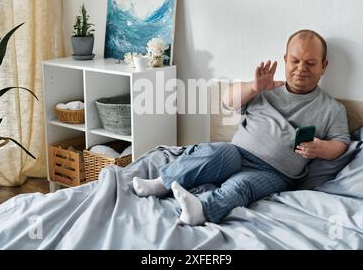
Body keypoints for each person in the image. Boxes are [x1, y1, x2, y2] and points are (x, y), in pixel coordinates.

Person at [133, 29, 350, 226]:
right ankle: (162, 182)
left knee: (241, 185)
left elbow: (341, 144)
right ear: (285, 60)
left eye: (310, 63)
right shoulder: (265, 87)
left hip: (275, 172)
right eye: (295, 61)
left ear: (324, 65)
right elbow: (228, 101)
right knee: (217, 151)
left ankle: (201, 210)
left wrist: (321, 148)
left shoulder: (332, 109)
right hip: (236, 153)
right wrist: (254, 86)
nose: (301, 69)